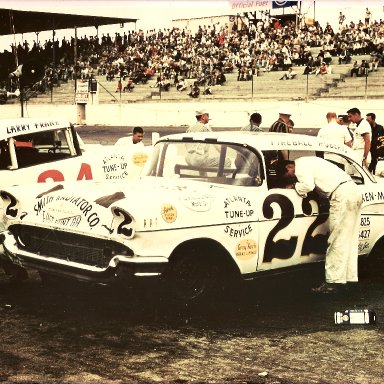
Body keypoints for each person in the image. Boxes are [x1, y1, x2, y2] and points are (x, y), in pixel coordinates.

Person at [275, 157, 362, 294]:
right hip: (352, 191)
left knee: (336, 240)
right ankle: (349, 278)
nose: (292, 178)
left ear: (289, 167)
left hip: (341, 195)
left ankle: (333, 282)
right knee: (349, 240)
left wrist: (293, 187)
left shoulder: (301, 166)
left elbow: (308, 186)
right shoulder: (309, 161)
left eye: (288, 175)